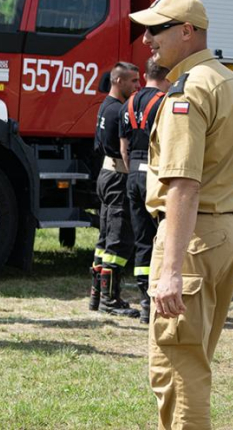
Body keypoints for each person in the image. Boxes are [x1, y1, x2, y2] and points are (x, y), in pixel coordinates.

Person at [131, 0, 233, 429]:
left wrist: (168, 272)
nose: (146, 39)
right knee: (193, 355)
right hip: (227, 229)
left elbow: (183, 183)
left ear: (187, 32)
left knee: (178, 366)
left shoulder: (189, 90)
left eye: (156, 29)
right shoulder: (228, 80)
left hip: (195, 236)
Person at [119, 58, 170, 323]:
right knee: (162, 237)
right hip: (155, 172)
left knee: (141, 239)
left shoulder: (127, 103)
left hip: (133, 174)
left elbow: (123, 148)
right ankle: (158, 297)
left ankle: (144, 303)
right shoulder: (165, 102)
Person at [90, 62, 140, 317]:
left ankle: (97, 295)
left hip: (105, 174)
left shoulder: (105, 106)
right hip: (118, 175)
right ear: (118, 81)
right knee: (119, 239)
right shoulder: (119, 110)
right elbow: (125, 148)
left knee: (105, 236)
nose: (138, 86)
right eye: (133, 81)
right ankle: (111, 300)